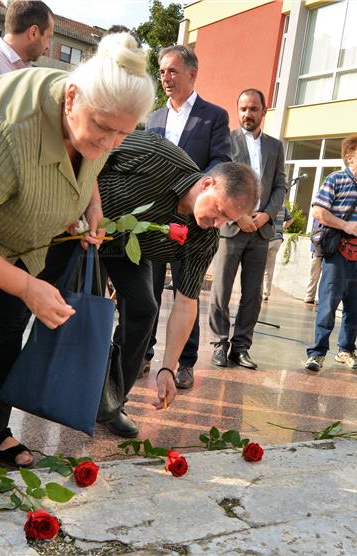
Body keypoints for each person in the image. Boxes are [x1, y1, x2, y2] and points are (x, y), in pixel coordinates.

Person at [0, 33, 155, 477]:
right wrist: (29, 286)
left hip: (25, 238)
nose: (110, 142)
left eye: (123, 133)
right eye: (103, 128)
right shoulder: (8, 128)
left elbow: (91, 167)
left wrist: (90, 208)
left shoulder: (102, 120)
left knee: (8, 331)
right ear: (71, 98)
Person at [44, 131, 258, 437]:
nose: (218, 223)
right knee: (61, 303)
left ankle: (111, 402)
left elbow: (186, 303)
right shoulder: (157, 153)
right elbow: (94, 150)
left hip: (125, 248)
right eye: (220, 211)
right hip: (80, 228)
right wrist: (88, 207)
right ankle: (35, 383)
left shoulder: (203, 236)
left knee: (144, 309)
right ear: (208, 184)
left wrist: (167, 369)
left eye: (229, 221)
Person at [144, 44, 231, 388]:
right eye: (162, 71)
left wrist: (191, 188)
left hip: (192, 220)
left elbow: (220, 162)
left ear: (192, 73)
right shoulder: (153, 118)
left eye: (172, 71)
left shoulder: (214, 116)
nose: (165, 77)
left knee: (187, 290)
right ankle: (143, 353)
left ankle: (186, 362)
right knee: (146, 289)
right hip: (153, 218)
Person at [209, 88, 287, 372]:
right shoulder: (226, 142)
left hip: (261, 231)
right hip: (231, 227)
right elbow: (217, 181)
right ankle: (219, 343)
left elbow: (280, 185)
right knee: (221, 289)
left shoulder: (275, 147)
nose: (247, 114)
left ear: (263, 111)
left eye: (253, 109)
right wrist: (238, 214)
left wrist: (267, 215)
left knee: (252, 295)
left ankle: (240, 347)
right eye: (242, 109)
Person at [304, 133, 357, 372]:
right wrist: (346, 225)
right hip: (337, 251)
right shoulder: (335, 179)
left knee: (355, 305)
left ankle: (346, 350)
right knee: (328, 305)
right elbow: (318, 212)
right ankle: (317, 353)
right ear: (350, 158)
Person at [262, 204, 294, 301]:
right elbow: (291, 220)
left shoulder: (269, 205)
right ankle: (266, 293)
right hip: (278, 239)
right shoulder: (283, 207)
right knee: (270, 267)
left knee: (260, 266)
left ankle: (258, 291)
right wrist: (283, 226)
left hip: (268, 238)